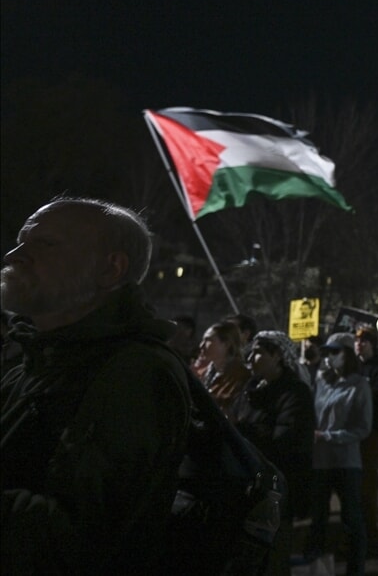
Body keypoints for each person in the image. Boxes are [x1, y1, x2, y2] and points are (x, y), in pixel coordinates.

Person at [1, 197, 191, 573]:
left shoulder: (135, 375)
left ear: (111, 269)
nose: (14, 254)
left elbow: (80, 540)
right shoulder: (33, 362)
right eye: (21, 240)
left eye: (45, 243)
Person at [230, 330, 314, 576]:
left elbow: (286, 442)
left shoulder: (295, 393)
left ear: (277, 356)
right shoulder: (249, 389)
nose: (251, 358)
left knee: (273, 559)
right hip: (246, 486)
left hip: (276, 489)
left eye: (258, 353)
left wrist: (245, 434)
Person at [307, 334, 371, 575]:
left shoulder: (360, 384)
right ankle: (316, 567)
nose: (329, 357)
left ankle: (356, 569)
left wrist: (330, 436)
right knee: (318, 520)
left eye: (335, 352)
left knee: (352, 519)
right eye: (327, 352)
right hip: (321, 461)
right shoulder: (322, 380)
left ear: (348, 353)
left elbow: (363, 428)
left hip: (346, 461)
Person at [353, 325, 378, 550]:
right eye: (357, 340)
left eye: (364, 341)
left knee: (368, 483)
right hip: (354, 435)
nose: (360, 344)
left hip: (372, 433)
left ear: (372, 344)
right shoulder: (354, 367)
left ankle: (371, 532)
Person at [197, 320, 251, 417]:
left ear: (226, 344)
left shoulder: (240, 376)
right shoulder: (204, 373)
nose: (201, 345)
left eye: (208, 340)